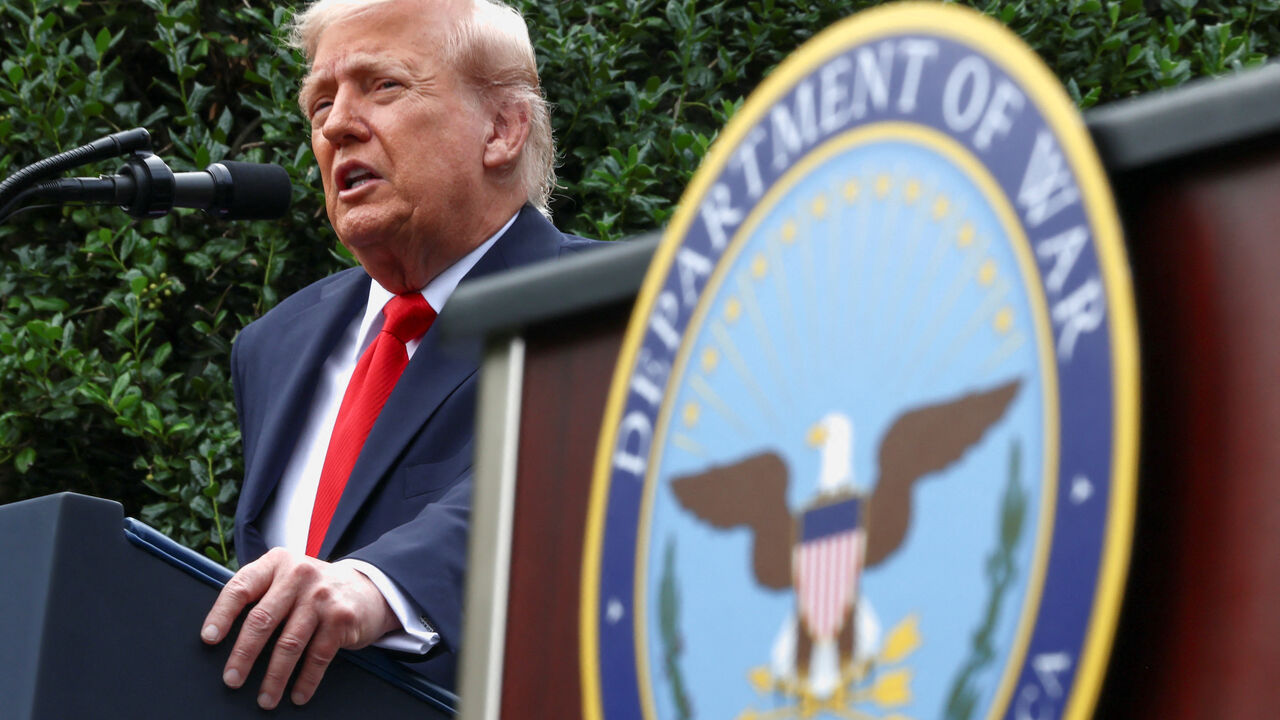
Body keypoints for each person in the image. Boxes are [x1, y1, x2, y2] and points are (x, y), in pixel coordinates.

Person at [198, 0, 593, 709]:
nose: (336, 126)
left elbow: (561, 485)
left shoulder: (615, 302)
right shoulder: (274, 347)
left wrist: (377, 585)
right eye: (321, 103)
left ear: (502, 130)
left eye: (383, 86)